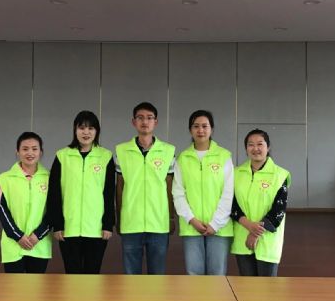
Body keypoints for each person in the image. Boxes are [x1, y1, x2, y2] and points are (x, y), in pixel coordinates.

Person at [47, 111, 115, 274]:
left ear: (97, 131)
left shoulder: (105, 156)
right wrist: (58, 224)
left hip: (96, 229)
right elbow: (54, 193)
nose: (86, 132)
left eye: (91, 128)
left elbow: (109, 193)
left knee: (92, 274)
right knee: (72, 274)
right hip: (68, 228)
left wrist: (108, 224)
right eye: (82, 128)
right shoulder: (62, 156)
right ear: (75, 130)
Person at [115, 102, 176, 274]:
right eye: (140, 118)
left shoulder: (168, 151)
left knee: (157, 276)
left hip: (158, 222)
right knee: (131, 276)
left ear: (156, 122)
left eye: (149, 118)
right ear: (133, 122)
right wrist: (119, 217)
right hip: (130, 222)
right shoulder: (121, 151)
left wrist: (171, 217)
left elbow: (170, 187)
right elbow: (119, 187)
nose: (145, 122)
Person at [172, 110, 234, 275]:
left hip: (220, 228)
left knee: (217, 276)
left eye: (205, 126)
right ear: (190, 130)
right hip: (191, 227)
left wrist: (215, 223)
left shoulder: (224, 156)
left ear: (211, 129)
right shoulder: (183, 158)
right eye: (196, 126)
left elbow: (228, 194)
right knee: (194, 275)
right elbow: (178, 193)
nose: (200, 130)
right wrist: (191, 220)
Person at [230, 129, 290, 277]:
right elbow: (231, 205)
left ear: (268, 147)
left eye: (260, 144)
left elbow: (278, 212)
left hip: (267, 241)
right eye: (250, 144)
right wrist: (248, 225)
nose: (255, 148)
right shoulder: (235, 173)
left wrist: (254, 233)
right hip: (242, 239)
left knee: (267, 288)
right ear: (246, 149)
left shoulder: (280, 175)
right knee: (246, 287)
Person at [0, 131, 51, 273]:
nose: (30, 153)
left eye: (34, 149)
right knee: (14, 286)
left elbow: (53, 211)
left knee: (36, 286)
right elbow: (3, 211)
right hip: (13, 245)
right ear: (17, 152)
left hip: (39, 245)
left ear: (41, 152)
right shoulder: (5, 178)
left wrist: (38, 235)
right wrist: (18, 236)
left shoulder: (50, 178)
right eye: (25, 149)